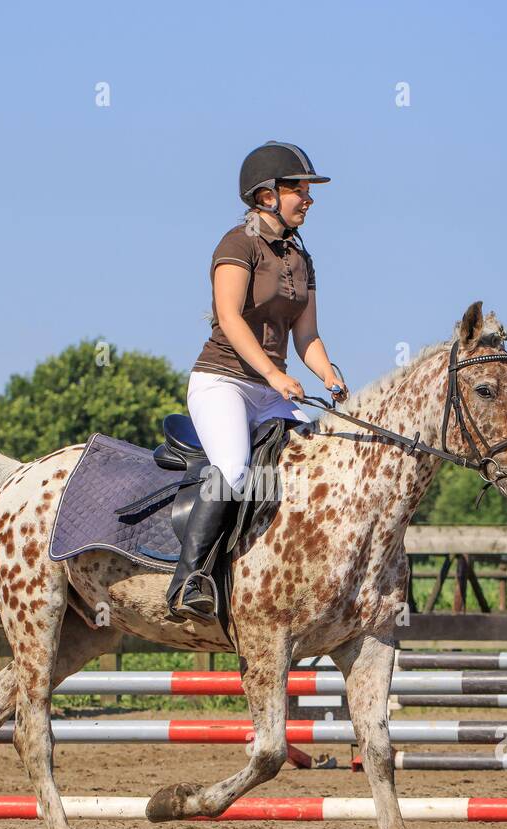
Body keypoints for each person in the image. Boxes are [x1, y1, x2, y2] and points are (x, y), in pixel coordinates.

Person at [166, 140, 349, 622]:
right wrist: (273, 372)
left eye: (309, 190)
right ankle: (191, 580)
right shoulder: (236, 243)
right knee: (233, 470)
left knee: (312, 470)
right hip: (222, 381)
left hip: (271, 390)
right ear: (266, 195)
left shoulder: (301, 259)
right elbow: (229, 317)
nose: (308, 199)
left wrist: (329, 375)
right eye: (299, 189)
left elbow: (306, 334)